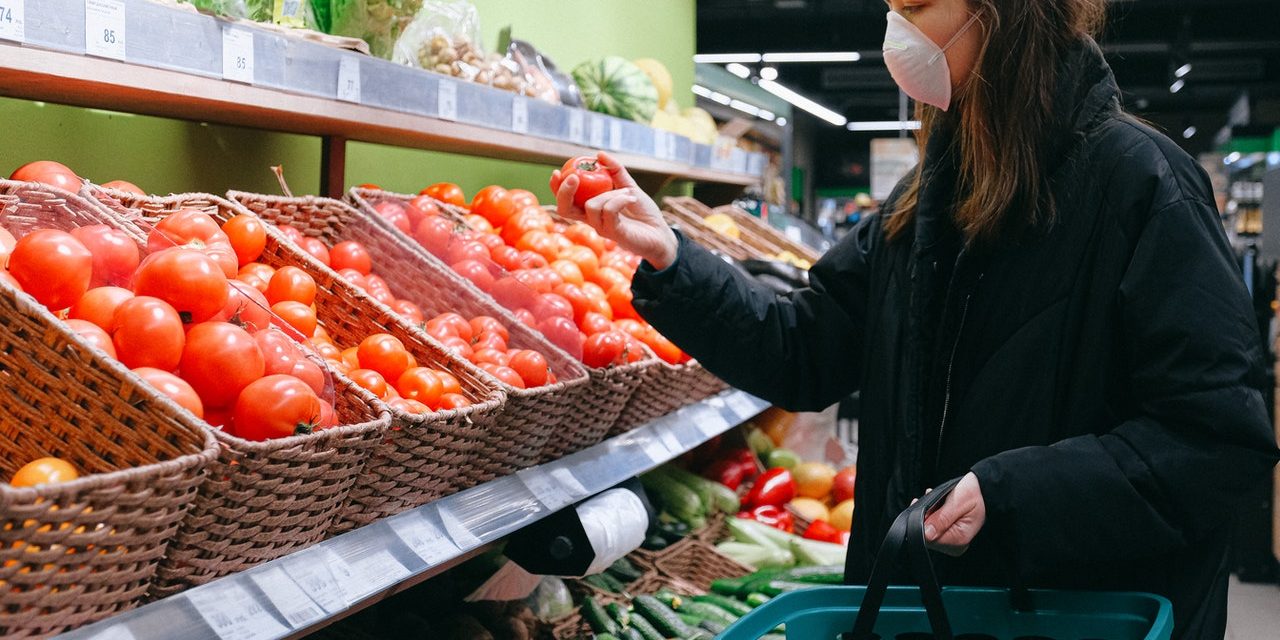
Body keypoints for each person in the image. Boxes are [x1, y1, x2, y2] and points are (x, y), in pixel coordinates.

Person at [553, 0, 1280, 637]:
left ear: (1002, 14)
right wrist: (672, 259)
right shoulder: (927, 199)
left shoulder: (1142, 185)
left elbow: (1216, 442)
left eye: (918, 5)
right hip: (927, 610)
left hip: (1075, 613)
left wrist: (1012, 492)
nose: (894, 34)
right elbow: (803, 348)